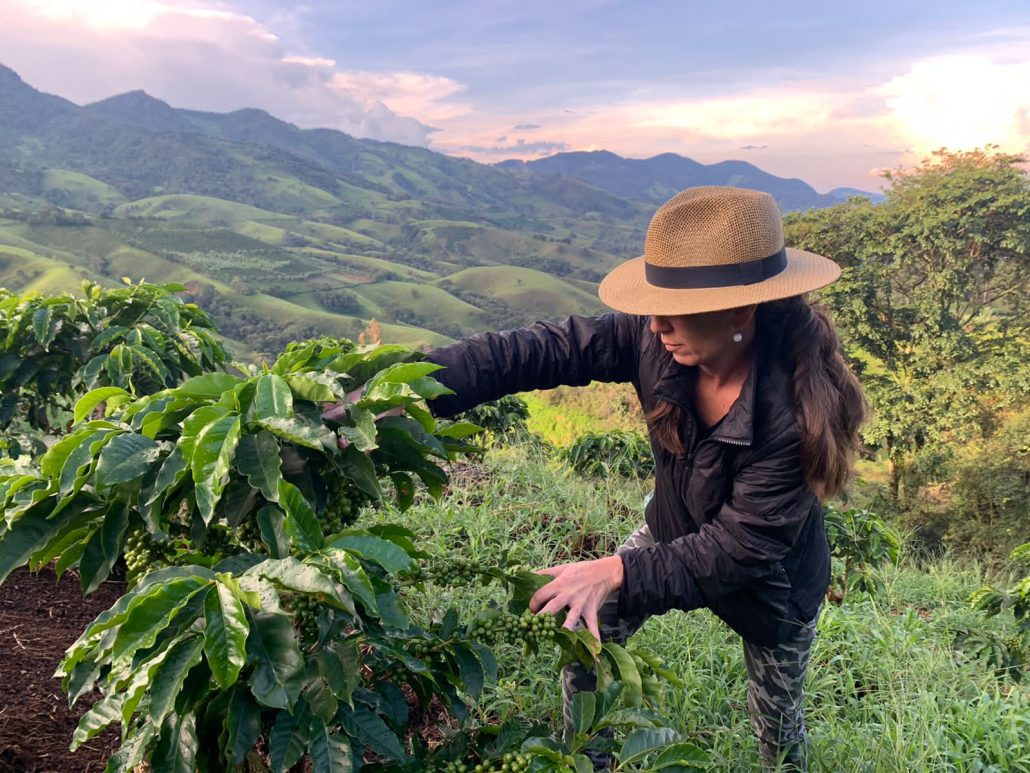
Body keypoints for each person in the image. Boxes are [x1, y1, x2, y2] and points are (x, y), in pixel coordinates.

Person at [423, 186, 867, 770]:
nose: (654, 323)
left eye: (673, 309)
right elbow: (537, 351)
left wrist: (613, 570)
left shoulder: (792, 416)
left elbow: (738, 549)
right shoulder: (655, 340)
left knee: (779, 726)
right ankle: (589, 760)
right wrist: (415, 385)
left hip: (772, 586)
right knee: (589, 629)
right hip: (672, 526)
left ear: (739, 312)